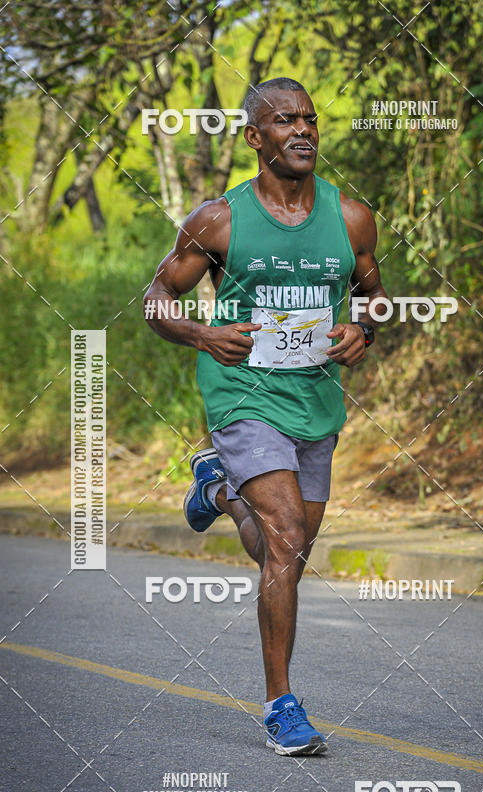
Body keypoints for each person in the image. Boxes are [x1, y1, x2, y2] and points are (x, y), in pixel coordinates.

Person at [144, 77, 386, 755]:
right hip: (242, 392)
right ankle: (281, 705)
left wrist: (365, 330)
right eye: (285, 120)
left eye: (310, 118)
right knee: (284, 536)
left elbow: (374, 295)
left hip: (315, 397)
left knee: (288, 551)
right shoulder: (219, 220)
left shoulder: (352, 217)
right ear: (255, 137)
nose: (302, 129)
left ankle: (219, 489)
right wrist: (201, 334)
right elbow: (157, 295)